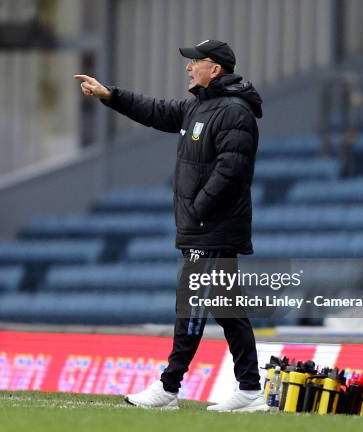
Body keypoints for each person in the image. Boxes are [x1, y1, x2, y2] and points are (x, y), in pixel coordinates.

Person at [74, 40, 266, 412]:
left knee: (190, 305)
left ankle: (168, 387)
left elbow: (233, 168)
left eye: (195, 62)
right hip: (205, 225)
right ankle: (250, 389)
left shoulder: (235, 111)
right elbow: (156, 111)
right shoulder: (199, 104)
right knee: (228, 309)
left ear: (216, 69)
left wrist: (199, 207)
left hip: (213, 226)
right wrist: (110, 95)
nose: (188, 67)